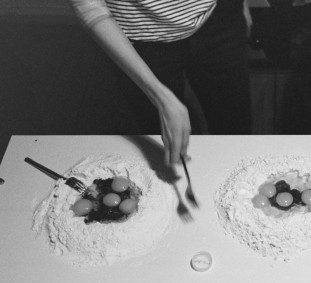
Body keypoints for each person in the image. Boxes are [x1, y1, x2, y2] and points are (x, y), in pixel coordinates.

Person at [68, 0, 253, 166]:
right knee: (166, 149)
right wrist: (159, 96)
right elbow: (89, 6)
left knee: (235, 131)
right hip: (141, 37)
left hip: (219, 17)